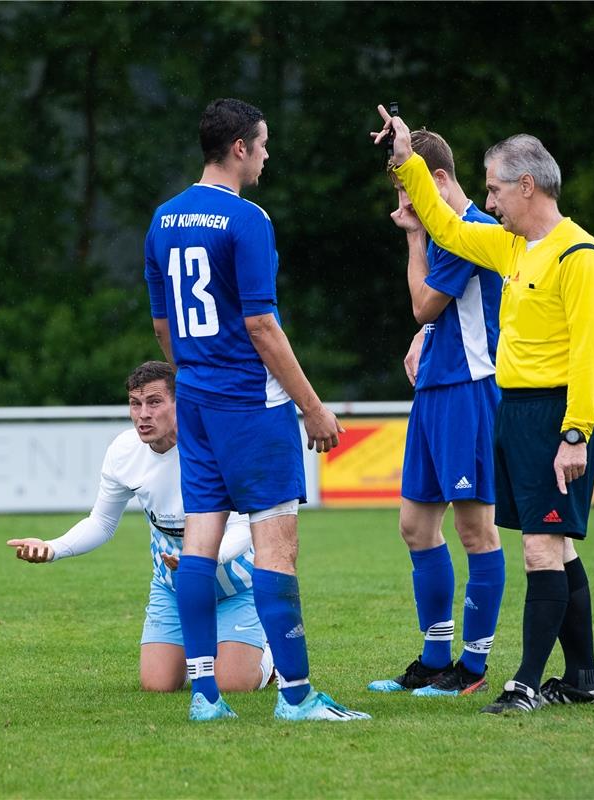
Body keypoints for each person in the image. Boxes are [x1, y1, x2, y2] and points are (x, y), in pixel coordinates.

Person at [373, 107, 594, 713]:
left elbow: (588, 356)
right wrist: (406, 160)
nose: (491, 200)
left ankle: (523, 683)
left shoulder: (578, 256)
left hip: (553, 417)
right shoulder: (512, 247)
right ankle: (583, 677)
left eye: (496, 188)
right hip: (514, 412)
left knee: (539, 549)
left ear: (527, 185)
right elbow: (449, 232)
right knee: (560, 548)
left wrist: (577, 432)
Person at [144, 98, 369, 722]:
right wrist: (314, 408)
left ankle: (204, 698)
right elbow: (263, 324)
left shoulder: (163, 220)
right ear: (239, 147)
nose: (268, 155)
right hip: (252, 405)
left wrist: (194, 373)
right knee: (276, 548)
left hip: (198, 403)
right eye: (263, 144)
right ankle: (296, 697)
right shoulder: (247, 219)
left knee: (200, 540)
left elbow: (163, 325)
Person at [7, 361, 273, 694]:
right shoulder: (123, 451)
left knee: (233, 686)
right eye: (136, 403)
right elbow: (102, 522)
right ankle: (209, 650)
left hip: (236, 585)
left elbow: (247, 524)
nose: (143, 414)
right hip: (172, 587)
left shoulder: (216, 447)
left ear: (181, 403)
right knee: (157, 685)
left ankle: (267, 654)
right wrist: (53, 547)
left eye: (155, 402)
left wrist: (205, 558)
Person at [367, 130, 506, 698]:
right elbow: (434, 315)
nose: (404, 207)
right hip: (434, 390)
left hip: (468, 392)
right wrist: (424, 335)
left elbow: (425, 299)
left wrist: (415, 235)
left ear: (439, 181)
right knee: (415, 526)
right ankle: (433, 657)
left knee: (476, 530)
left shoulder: (471, 231)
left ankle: (471, 669)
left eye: (412, 193)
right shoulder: (448, 230)